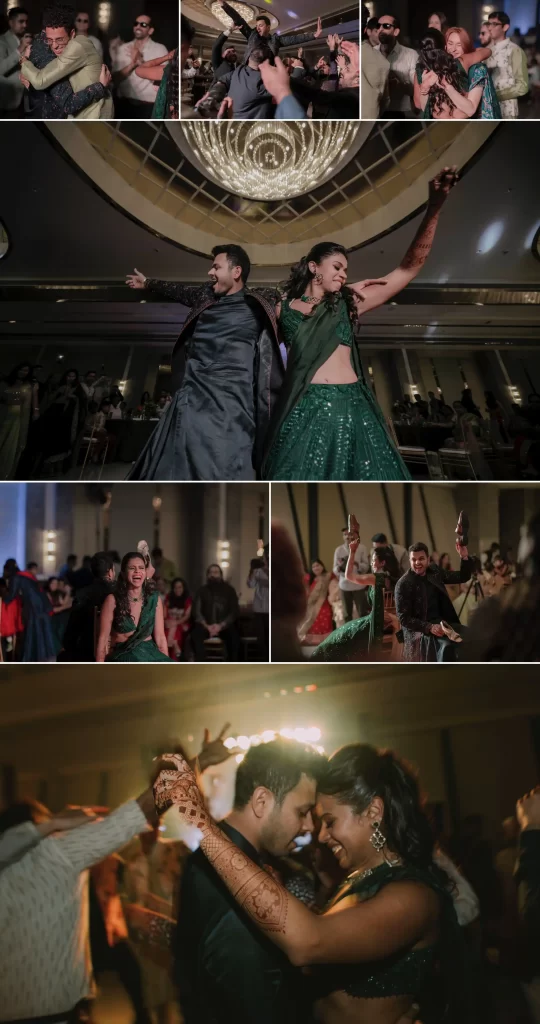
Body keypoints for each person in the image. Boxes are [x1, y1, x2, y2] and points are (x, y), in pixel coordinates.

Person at [155, 744, 473, 1024]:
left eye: (329, 821)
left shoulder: (412, 896)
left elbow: (309, 942)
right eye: (308, 814)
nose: (317, 833)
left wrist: (201, 823)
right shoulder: (355, 882)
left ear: (373, 812)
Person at [263, 169, 459, 481]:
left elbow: (408, 270)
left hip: (352, 407)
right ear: (314, 267)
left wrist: (434, 207)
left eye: (346, 270)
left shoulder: (347, 302)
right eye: (337, 267)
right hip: (303, 409)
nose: (342, 274)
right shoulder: (282, 307)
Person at [172, 737, 326, 1024]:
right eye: (302, 812)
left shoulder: (223, 857)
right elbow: (252, 997)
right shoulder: (232, 874)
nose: (309, 826)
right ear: (262, 801)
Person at [0, 782, 163, 1023]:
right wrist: (191, 768)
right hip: (54, 1013)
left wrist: (49, 824)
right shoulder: (58, 851)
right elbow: (132, 817)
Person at [126, 246, 284, 481]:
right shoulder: (205, 296)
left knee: (227, 461)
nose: (210, 272)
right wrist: (148, 282)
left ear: (236, 271)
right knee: (179, 462)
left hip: (235, 403)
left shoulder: (261, 302)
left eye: (216, 267)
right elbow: (179, 290)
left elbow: (297, 312)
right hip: (194, 396)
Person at [19, 2, 113, 119]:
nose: (54, 46)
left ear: (72, 34)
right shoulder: (43, 46)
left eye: (59, 39)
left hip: (95, 114)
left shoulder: (78, 45)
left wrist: (24, 62)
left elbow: (40, 80)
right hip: (77, 116)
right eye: (49, 40)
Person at [312, 537, 401, 661]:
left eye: (374, 560)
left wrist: (352, 552)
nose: (371, 563)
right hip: (378, 619)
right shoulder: (387, 578)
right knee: (343, 631)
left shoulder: (375, 578)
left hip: (374, 622)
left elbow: (349, 576)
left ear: (382, 563)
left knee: (340, 637)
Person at [395, 525, 472, 662]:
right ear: (410, 560)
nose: (417, 562)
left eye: (421, 559)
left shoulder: (434, 571)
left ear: (428, 559)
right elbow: (403, 618)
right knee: (448, 647)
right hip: (419, 631)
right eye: (414, 559)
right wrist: (429, 627)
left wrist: (464, 556)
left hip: (444, 625)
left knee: (472, 636)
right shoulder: (403, 583)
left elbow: (462, 577)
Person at [97, 551, 172, 662]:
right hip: (125, 655)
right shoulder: (112, 600)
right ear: (123, 573)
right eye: (132, 568)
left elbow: (161, 638)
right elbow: (103, 639)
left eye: (141, 568)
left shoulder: (154, 599)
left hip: (150, 654)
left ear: (146, 573)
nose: (137, 571)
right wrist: (98, 670)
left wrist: (167, 665)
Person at [415, 29, 500, 118]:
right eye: (450, 44)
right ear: (445, 46)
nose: (453, 49)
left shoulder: (468, 64)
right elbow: (420, 106)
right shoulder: (427, 72)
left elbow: (469, 111)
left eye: (459, 45)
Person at [219, 2, 322, 62]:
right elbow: (239, 18)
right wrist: (224, 6)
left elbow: (294, 39)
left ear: (268, 27)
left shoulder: (275, 40)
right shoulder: (252, 35)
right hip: (249, 72)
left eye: (261, 25)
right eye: (257, 26)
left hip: (266, 76)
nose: (258, 28)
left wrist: (314, 35)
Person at [61, 551, 115, 661]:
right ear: (110, 572)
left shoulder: (82, 593)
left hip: (86, 651)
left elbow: (71, 632)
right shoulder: (119, 593)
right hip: (115, 650)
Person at [112, 12, 168, 117]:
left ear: (150, 30)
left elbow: (164, 81)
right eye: (136, 23)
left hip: (148, 107)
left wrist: (141, 62)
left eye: (143, 25)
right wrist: (132, 65)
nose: (138, 26)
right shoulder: (123, 48)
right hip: (124, 105)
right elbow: (114, 80)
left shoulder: (160, 49)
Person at [33, 367, 87, 474]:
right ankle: (42, 470)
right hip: (54, 417)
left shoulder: (78, 390)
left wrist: (73, 398)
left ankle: (58, 470)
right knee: (47, 443)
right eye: (68, 376)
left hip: (67, 421)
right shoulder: (59, 387)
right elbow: (50, 401)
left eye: (73, 376)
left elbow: (82, 404)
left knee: (62, 444)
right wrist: (60, 393)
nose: (70, 378)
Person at [1, 558, 56, 662]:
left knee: (32, 630)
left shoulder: (16, 578)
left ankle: (29, 658)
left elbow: (11, 595)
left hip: (33, 605)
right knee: (37, 631)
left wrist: (3, 600)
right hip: (39, 604)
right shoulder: (24, 576)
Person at [191, 564, 240, 661]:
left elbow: (234, 611)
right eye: (211, 573)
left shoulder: (230, 590)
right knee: (195, 636)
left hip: (225, 626)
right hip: (205, 626)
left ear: (221, 575)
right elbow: (196, 611)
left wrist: (220, 626)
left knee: (234, 638)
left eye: (216, 572)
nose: (213, 575)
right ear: (207, 575)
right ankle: (201, 667)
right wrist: (207, 626)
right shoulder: (202, 591)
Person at [485, 10, 528, 119]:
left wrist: (496, 95)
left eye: (494, 24)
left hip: (506, 108)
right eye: (489, 24)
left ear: (505, 27)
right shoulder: (486, 50)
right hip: (487, 107)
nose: (489, 27)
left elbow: (522, 86)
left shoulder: (514, 50)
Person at [0, 362, 37, 479]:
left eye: (26, 370)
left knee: (8, 448)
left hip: (15, 419)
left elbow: (26, 407)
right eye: (21, 369)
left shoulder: (28, 387)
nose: (23, 372)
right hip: (2, 413)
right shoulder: (4, 383)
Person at [377, 14, 418, 116]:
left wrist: (400, 81)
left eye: (386, 26)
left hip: (398, 112)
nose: (380, 29)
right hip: (373, 113)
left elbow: (416, 91)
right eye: (378, 26)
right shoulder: (369, 54)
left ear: (396, 31)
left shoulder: (411, 55)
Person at [333, 526, 370, 620]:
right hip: (344, 585)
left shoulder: (362, 548)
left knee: (362, 612)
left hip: (359, 584)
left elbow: (366, 566)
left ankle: (364, 633)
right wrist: (339, 568)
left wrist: (357, 565)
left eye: (349, 534)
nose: (347, 537)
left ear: (354, 535)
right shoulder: (339, 550)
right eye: (345, 535)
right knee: (346, 614)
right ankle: (348, 634)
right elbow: (334, 568)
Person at [298, 559, 334, 644]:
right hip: (310, 603)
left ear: (322, 566)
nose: (316, 568)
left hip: (323, 602)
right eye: (313, 566)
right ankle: (310, 640)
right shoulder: (308, 578)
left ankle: (326, 640)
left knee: (324, 613)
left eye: (318, 565)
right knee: (307, 613)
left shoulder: (328, 576)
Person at [0, 5, 28, 114]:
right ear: (11, 23)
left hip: (27, 100)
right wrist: (20, 49)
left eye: (26, 21)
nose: (25, 25)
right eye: (21, 21)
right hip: (9, 101)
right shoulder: (2, 41)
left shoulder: (26, 39)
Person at [247, 547, 269, 659]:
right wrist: (251, 570)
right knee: (261, 639)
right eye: (266, 555)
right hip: (259, 609)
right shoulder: (258, 571)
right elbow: (251, 585)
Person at [163, 577, 192, 660]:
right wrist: (165, 621)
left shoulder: (187, 599)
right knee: (170, 626)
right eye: (175, 587)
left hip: (182, 623)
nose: (177, 589)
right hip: (169, 623)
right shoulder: (168, 597)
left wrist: (176, 622)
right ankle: (175, 647)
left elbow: (187, 616)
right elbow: (164, 614)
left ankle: (172, 647)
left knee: (174, 627)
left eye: (180, 587)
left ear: (183, 588)